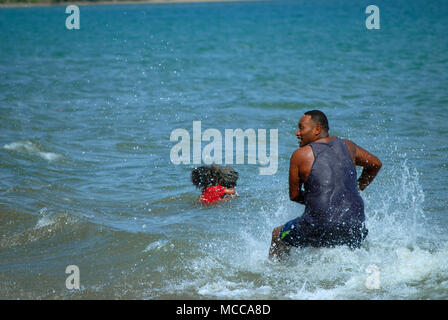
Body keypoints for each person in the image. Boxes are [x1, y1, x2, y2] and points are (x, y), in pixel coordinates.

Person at [269, 110, 382, 260]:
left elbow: (294, 195)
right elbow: (375, 164)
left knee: (277, 235)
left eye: (301, 128)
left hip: (318, 228)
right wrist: (358, 188)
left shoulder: (300, 155)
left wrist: (319, 201)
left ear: (317, 129)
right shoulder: (348, 146)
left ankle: (277, 276)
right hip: (355, 227)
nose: (297, 133)